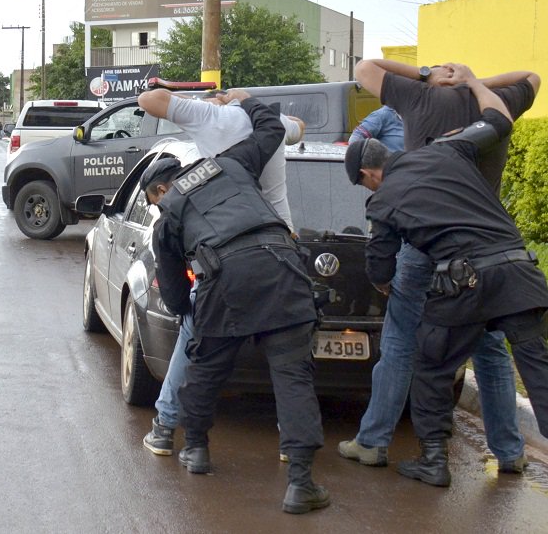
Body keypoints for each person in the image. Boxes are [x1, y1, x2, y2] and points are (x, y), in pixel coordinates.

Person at [344, 62, 548, 486]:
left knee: (420, 356)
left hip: (453, 273)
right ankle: (510, 452)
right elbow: (508, 106)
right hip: (514, 265)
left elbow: (380, 262)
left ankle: (398, 448)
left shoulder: (415, 101)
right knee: (518, 360)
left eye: (364, 185)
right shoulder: (450, 147)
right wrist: (474, 81)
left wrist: (385, 283)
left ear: (368, 174)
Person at [145, 91, 328, 514]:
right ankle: (301, 482)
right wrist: (250, 101)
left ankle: (196, 450)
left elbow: (173, 291)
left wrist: (192, 316)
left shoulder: (170, 209)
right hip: (281, 268)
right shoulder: (232, 162)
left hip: (223, 283)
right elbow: (272, 130)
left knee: (206, 367)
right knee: (293, 379)